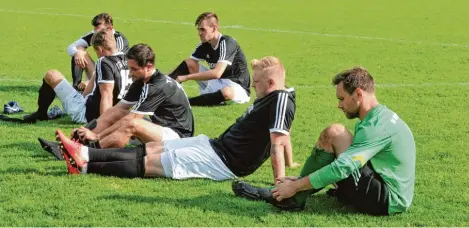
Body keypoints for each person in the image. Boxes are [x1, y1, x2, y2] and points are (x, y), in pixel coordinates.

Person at [57, 56, 296, 182]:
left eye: (257, 83)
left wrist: (280, 184)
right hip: (215, 145)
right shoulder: (277, 97)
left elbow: (277, 141)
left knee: (153, 164)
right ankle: (84, 153)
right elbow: (284, 134)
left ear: (272, 83)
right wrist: (291, 162)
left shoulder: (280, 100)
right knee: (152, 148)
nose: (253, 86)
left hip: (224, 162)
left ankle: (85, 167)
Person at [232, 67, 416, 216]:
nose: (339, 105)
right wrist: (303, 179)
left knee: (334, 134)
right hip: (387, 188)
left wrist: (296, 186)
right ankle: (299, 190)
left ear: (358, 94)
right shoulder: (379, 116)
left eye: (342, 99)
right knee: (338, 136)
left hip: (387, 200)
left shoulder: (376, 128)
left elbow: (343, 168)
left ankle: (291, 198)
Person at [73, 43, 194, 149]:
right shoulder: (141, 81)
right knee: (115, 112)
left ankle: (88, 151)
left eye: (134, 69)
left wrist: (97, 135)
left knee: (132, 123)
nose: (130, 74)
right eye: (129, 69)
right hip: (160, 129)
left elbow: (132, 118)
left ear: (149, 67)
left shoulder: (157, 86)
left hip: (178, 137)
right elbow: (117, 110)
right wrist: (87, 129)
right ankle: (77, 141)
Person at [23, 29, 132, 124]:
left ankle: (41, 114)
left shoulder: (104, 62)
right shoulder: (128, 60)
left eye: (96, 52)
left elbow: (106, 95)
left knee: (51, 75)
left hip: (85, 114)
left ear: (100, 49)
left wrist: (103, 124)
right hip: (116, 113)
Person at [168, 12, 251, 106]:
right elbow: (185, 66)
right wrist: (167, 79)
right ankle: (162, 93)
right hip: (217, 83)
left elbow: (217, 73)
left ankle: (188, 102)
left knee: (226, 93)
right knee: (189, 63)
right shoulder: (205, 45)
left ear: (214, 28)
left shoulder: (227, 42)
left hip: (237, 87)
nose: (199, 33)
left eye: (203, 29)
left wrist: (186, 77)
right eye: (199, 30)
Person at [67, 12, 129, 90]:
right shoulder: (94, 34)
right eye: (95, 29)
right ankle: (76, 88)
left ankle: (91, 85)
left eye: (99, 29)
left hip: (115, 77)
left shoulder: (119, 39)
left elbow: (118, 64)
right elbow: (71, 47)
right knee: (79, 50)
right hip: (99, 71)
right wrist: (77, 52)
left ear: (110, 28)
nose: (95, 33)